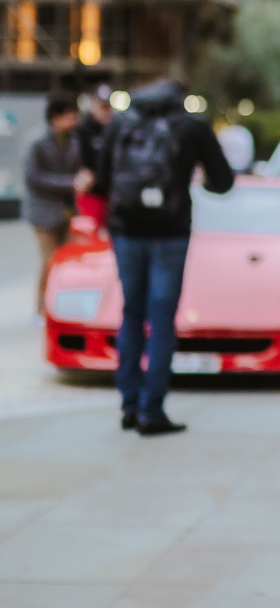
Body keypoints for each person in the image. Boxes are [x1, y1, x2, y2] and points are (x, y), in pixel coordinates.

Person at [93, 78, 234, 435]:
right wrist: (196, 175)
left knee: (131, 311)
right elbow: (223, 182)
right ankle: (151, 410)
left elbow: (102, 180)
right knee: (161, 318)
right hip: (170, 233)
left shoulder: (121, 123)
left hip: (125, 231)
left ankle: (128, 404)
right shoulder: (190, 126)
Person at [22, 93, 88, 314]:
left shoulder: (73, 139)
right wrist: (70, 183)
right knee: (50, 262)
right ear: (56, 117)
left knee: (69, 262)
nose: (74, 121)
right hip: (43, 213)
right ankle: (42, 310)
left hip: (67, 212)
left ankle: (63, 307)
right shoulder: (36, 141)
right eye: (70, 116)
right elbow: (33, 177)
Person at [74, 84, 116, 226]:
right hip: (91, 194)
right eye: (102, 107)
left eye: (108, 107)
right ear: (93, 105)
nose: (106, 111)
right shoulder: (81, 130)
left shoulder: (116, 129)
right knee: (91, 234)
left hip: (112, 192)